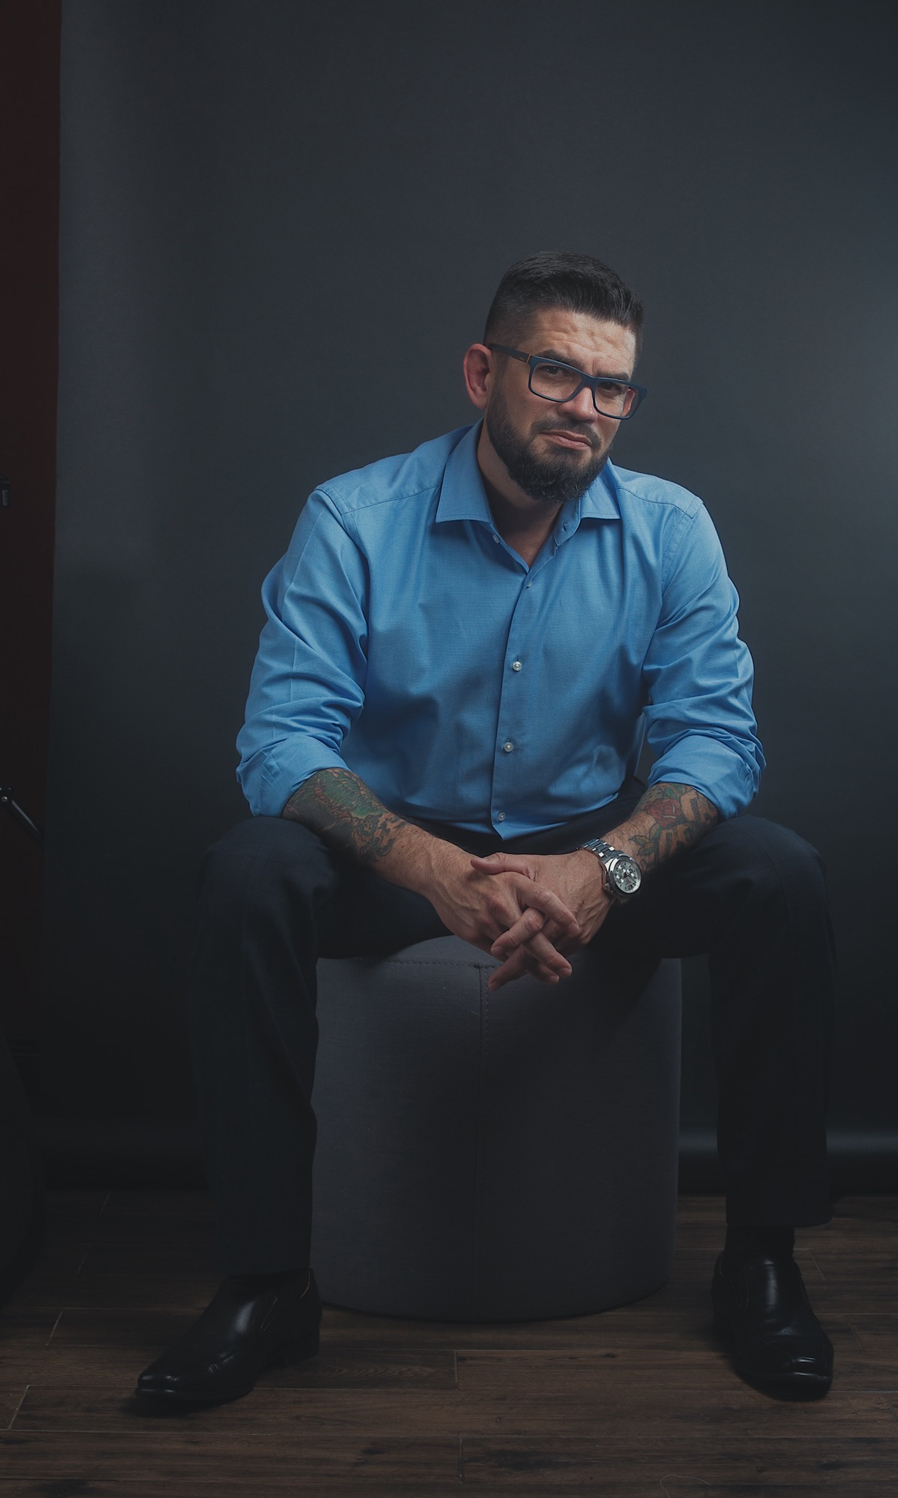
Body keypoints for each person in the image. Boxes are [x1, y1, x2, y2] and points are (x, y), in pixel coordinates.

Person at [136, 250, 835, 1407]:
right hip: (391, 842)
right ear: (481, 372)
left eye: (612, 386)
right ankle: (266, 1282)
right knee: (248, 871)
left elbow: (718, 742)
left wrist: (605, 866)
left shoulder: (670, 529)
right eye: (556, 371)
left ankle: (762, 1260)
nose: (585, 406)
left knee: (781, 874)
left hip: (586, 833)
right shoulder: (354, 517)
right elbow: (281, 740)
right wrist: (429, 867)